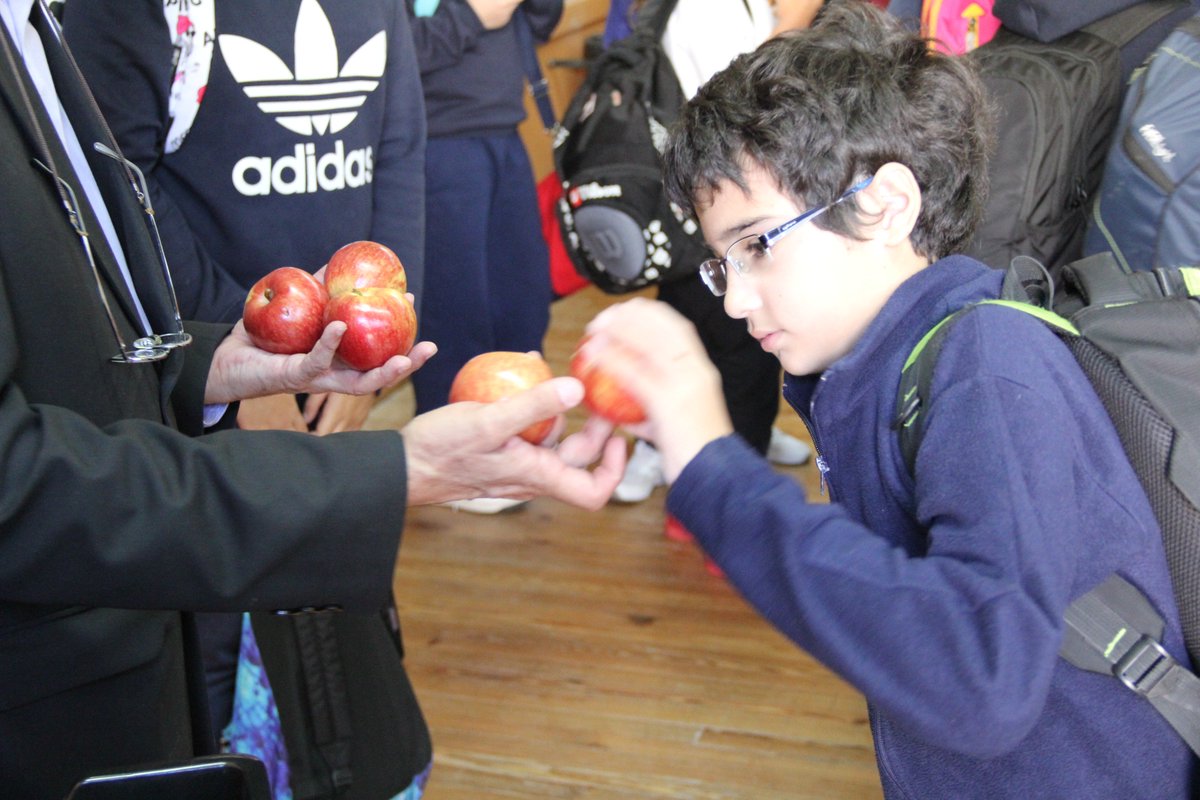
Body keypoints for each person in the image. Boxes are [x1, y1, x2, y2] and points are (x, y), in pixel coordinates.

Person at [0, 3, 624, 798]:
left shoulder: (30, 30)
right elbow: (21, 479)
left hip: (174, 527)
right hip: (66, 658)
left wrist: (214, 372)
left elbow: (86, 303)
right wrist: (391, 470)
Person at [580, 2, 1195, 796]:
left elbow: (983, 681)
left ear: (885, 205)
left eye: (757, 244)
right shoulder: (870, 370)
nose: (734, 301)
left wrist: (710, 464)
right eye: (720, 262)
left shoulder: (987, 365)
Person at [60, 3, 434, 795]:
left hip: (346, 366)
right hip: (209, 369)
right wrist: (244, 361)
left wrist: (379, 346)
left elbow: (400, 152)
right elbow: (115, 186)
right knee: (222, 654)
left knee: (337, 636)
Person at [601, 0, 816, 522]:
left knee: (738, 335)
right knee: (726, 334)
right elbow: (749, 97)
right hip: (710, 197)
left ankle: (751, 436)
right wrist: (795, 23)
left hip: (715, 195)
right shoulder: (706, 10)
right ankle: (698, 460)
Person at [405, 0, 561, 513]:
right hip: (438, 144)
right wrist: (471, 15)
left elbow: (540, 22)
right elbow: (389, 50)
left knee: (523, 298)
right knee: (454, 309)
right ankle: (455, 458)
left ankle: (523, 434)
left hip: (504, 134)